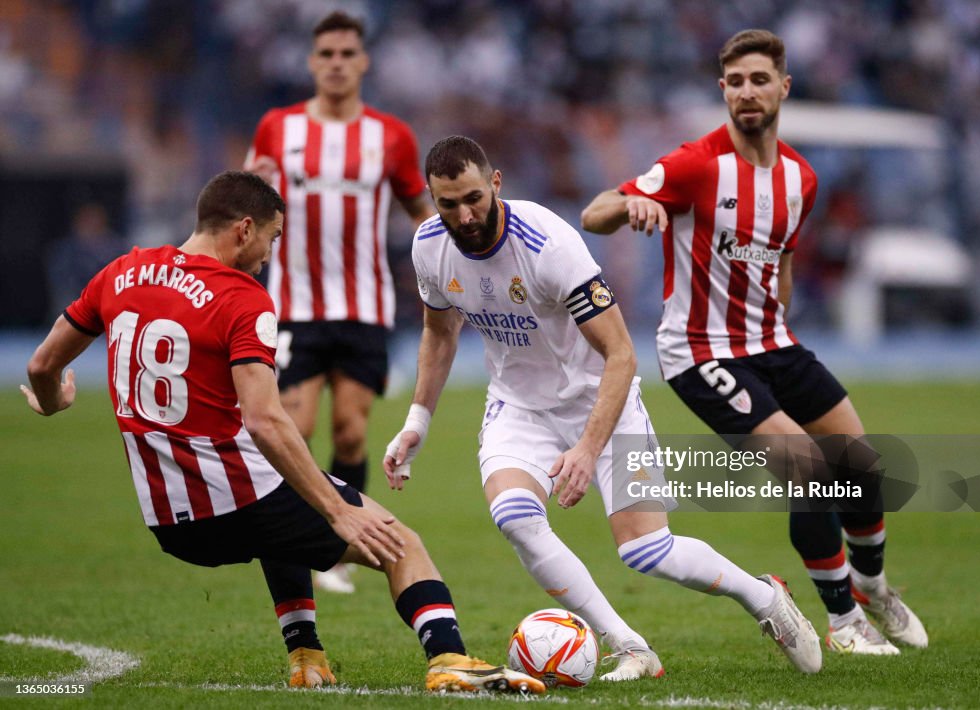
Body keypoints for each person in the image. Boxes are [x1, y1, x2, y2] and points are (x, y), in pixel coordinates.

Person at [20, 170, 544, 695]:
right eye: (271, 239)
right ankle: (449, 658)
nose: (269, 256)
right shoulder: (240, 297)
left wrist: (52, 402)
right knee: (400, 543)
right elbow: (265, 419)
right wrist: (340, 511)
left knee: (284, 508)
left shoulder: (120, 273)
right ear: (244, 229)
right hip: (237, 496)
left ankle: (306, 657)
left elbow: (43, 365)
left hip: (169, 520)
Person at [383, 135, 822, 680]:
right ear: (432, 197)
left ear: (496, 183)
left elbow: (620, 354)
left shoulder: (548, 244)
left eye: (473, 197)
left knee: (647, 552)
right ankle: (630, 645)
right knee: (515, 518)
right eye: (448, 204)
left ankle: (763, 595)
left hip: (604, 403)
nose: (465, 215)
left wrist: (588, 449)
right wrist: (416, 422)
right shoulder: (429, 244)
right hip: (519, 408)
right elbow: (439, 331)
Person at [581, 29, 928, 655]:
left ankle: (873, 585)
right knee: (808, 469)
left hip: (773, 342)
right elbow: (595, 211)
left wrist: (777, 328)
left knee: (860, 465)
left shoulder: (801, 179)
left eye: (759, 79)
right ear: (723, 90)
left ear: (783, 87)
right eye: (735, 82)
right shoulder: (694, 164)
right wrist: (632, 207)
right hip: (701, 350)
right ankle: (843, 620)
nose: (747, 91)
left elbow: (783, 265)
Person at [244, 11, 435, 594]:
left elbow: (420, 213)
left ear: (363, 61)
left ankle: (344, 551)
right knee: (293, 430)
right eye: (325, 53)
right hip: (294, 306)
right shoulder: (279, 127)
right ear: (310, 61)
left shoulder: (391, 137)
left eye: (346, 53)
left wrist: (449, 264)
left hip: (365, 308)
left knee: (351, 433)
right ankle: (312, 537)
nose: (335, 63)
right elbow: (248, 198)